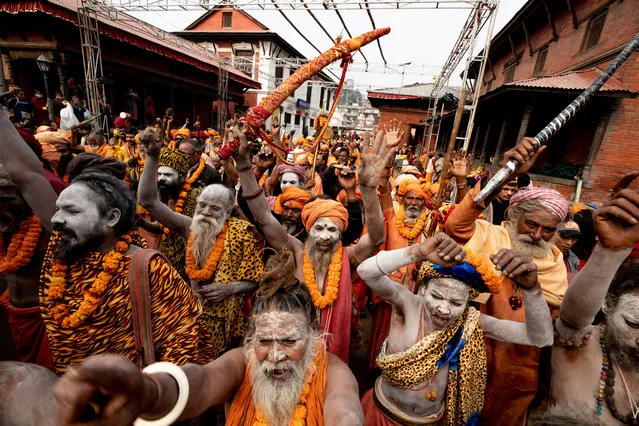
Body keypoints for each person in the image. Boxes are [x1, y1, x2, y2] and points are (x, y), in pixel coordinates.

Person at [52, 249, 364, 426]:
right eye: (265, 341)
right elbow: (202, 382)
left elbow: (346, 412)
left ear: (312, 333)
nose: (275, 355)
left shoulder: (335, 372)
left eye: (289, 341)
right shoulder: (242, 362)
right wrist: (148, 392)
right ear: (251, 334)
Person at [0, 114, 213, 373]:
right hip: (66, 393)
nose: (55, 220)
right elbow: (27, 177)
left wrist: (152, 394)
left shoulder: (146, 267)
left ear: (111, 218)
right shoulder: (65, 250)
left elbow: (188, 344)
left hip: (129, 400)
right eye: (57, 209)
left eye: (72, 211)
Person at [358, 233, 553, 425]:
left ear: (469, 301)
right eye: (437, 296)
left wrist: (532, 289)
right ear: (423, 289)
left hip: (430, 421)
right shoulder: (407, 305)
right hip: (381, 415)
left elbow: (540, 338)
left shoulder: (470, 322)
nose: (444, 309)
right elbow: (366, 272)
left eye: (455, 302)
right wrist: (416, 252)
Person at [236, 125, 390, 363]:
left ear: (340, 235)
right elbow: (264, 218)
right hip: (292, 349)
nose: (325, 236)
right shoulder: (296, 250)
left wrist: (368, 190)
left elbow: (376, 237)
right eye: (319, 228)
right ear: (309, 229)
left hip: (333, 353)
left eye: (332, 230)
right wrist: (246, 167)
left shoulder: (347, 256)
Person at [444, 137, 569, 424]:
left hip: (519, 366)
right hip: (467, 355)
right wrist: (507, 173)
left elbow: (556, 318)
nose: (537, 236)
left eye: (548, 230)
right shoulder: (490, 235)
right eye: (531, 225)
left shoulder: (555, 262)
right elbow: (455, 225)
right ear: (514, 216)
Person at [138, 126, 264, 358]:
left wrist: (229, 289)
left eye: (215, 208)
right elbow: (148, 200)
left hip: (225, 323)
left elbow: (255, 279)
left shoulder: (241, 233)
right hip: (185, 313)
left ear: (228, 212)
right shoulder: (189, 227)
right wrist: (152, 156)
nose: (206, 212)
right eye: (202, 206)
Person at [531, 173, 639, 425]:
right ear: (608, 304)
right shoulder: (577, 344)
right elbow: (572, 319)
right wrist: (611, 251)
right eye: (633, 324)